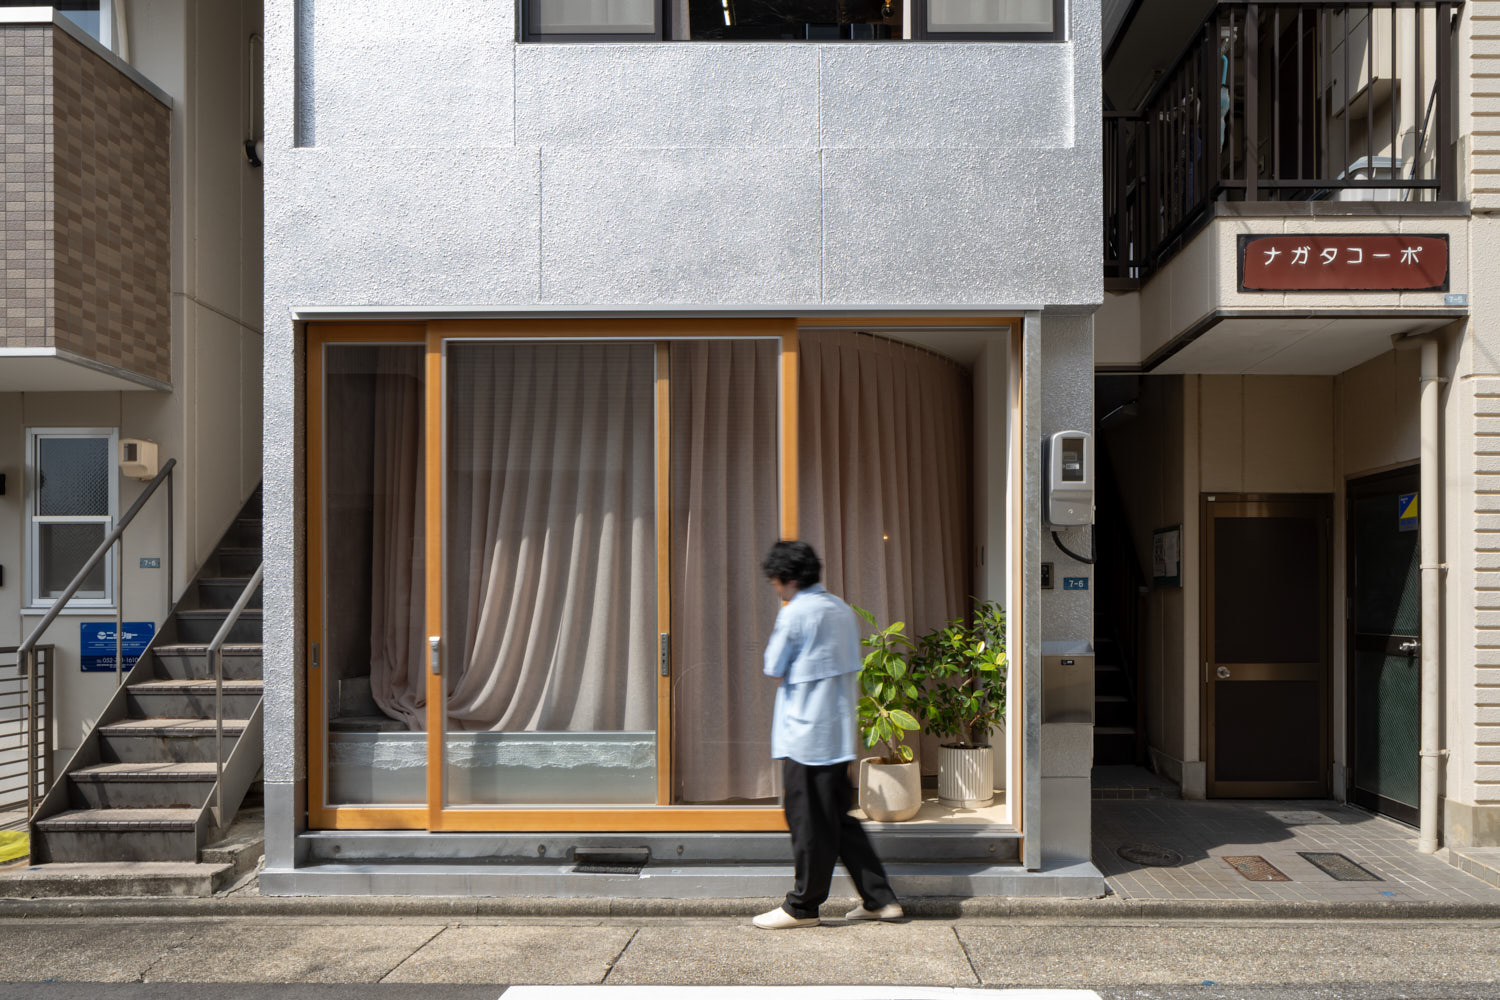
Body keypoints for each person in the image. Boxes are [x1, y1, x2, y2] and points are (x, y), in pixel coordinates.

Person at [751, 540, 903, 930]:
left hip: (804, 737)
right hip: (837, 735)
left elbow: (773, 666)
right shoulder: (841, 609)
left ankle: (803, 907)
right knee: (840, 821)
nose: (776, 588)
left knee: (808, 825)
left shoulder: (795, 614)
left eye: (775, 581)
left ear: (786, 578)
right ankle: (880, 899)